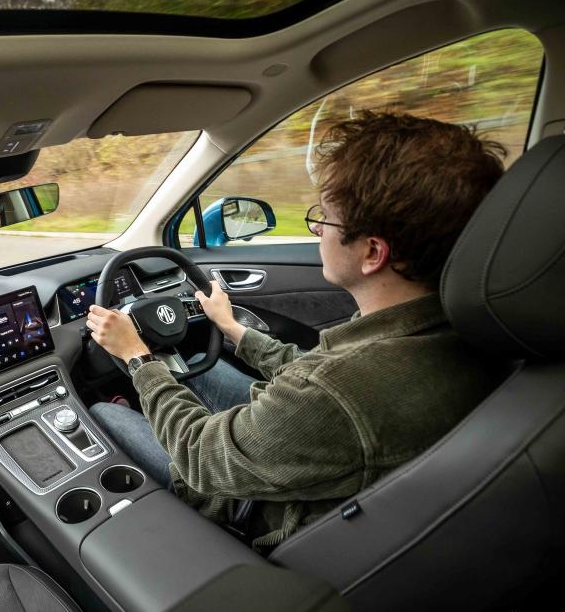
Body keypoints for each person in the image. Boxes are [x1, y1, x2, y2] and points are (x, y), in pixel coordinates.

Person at [86, 111, 509, 550]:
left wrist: (138, 358)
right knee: (200, 371)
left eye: (324, 217)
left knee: (102, 415)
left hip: (239, 505)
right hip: (306, 449)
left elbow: (200, 458)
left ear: (372, 252)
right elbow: (314, 373)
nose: (318, 229)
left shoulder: (339, 390)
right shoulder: (443, 327)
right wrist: (232, 328)